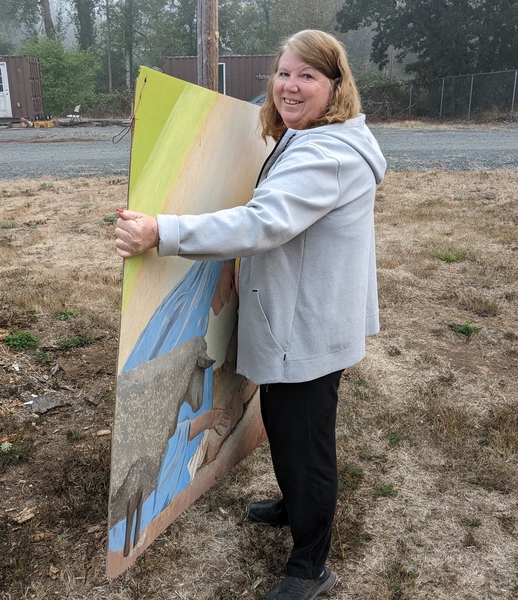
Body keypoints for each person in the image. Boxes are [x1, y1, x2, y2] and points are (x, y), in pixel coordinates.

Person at [115, 29, 386, 600]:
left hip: (306, 325)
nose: (289, 85)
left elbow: (261, 223)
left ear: (335, 87)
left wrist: (162, 231)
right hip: (304, 312)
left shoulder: (326, 153)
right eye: (284, 72)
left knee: (305, 438)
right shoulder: (310, 135)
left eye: (307, 76)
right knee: (292, 430)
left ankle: (311, 567)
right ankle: (295, 506)